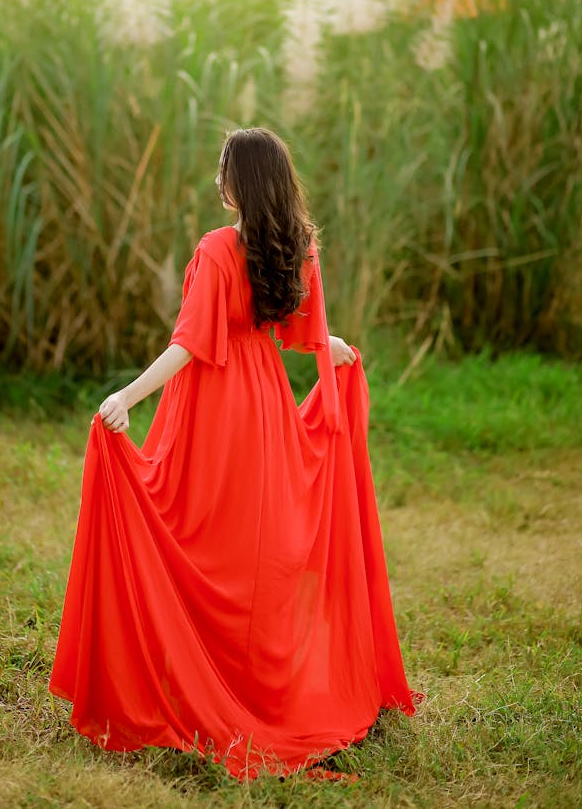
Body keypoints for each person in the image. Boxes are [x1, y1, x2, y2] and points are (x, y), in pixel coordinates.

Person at [49, 127, 418, 780]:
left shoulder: (220, 248)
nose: (216, 180)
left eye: (222, 169)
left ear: (235, 182)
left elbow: (189, 343)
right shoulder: (295, 248)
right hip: (267, 409)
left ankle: (202, 685)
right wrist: (333, 348)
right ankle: (248, 681)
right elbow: (295, 330)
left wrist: (129, 394)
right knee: (254, 555)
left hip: (213, 409)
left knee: (198, 540)